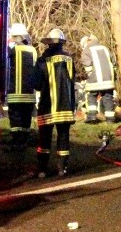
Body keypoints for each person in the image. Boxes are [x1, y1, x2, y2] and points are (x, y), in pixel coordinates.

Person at [33, 28, 77, 177]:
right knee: (63, 137)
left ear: (49, 44)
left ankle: (42, 170)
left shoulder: (41, 60)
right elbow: (72, 81)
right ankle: (62, 168)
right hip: (65, 106)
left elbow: (36, 84)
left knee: (44, 138)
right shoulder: (69, 59)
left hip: (47, 106)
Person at [5, 22, 37, 150]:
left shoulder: (12, 51)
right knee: (26, 118)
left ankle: (16, 142)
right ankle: (25, 140)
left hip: (15, 94)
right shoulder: (32, 50)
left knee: (16, 119)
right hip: (29, 93)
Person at [80, 34, 116, 124]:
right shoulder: (104, 48)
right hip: (108, 79)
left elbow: (87, 65)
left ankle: (92, 116)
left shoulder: (86, 50)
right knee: (108, 97)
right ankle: (110, 119)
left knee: (91, 96)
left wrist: (89, 73)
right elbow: (113, 61)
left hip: (94, 79)